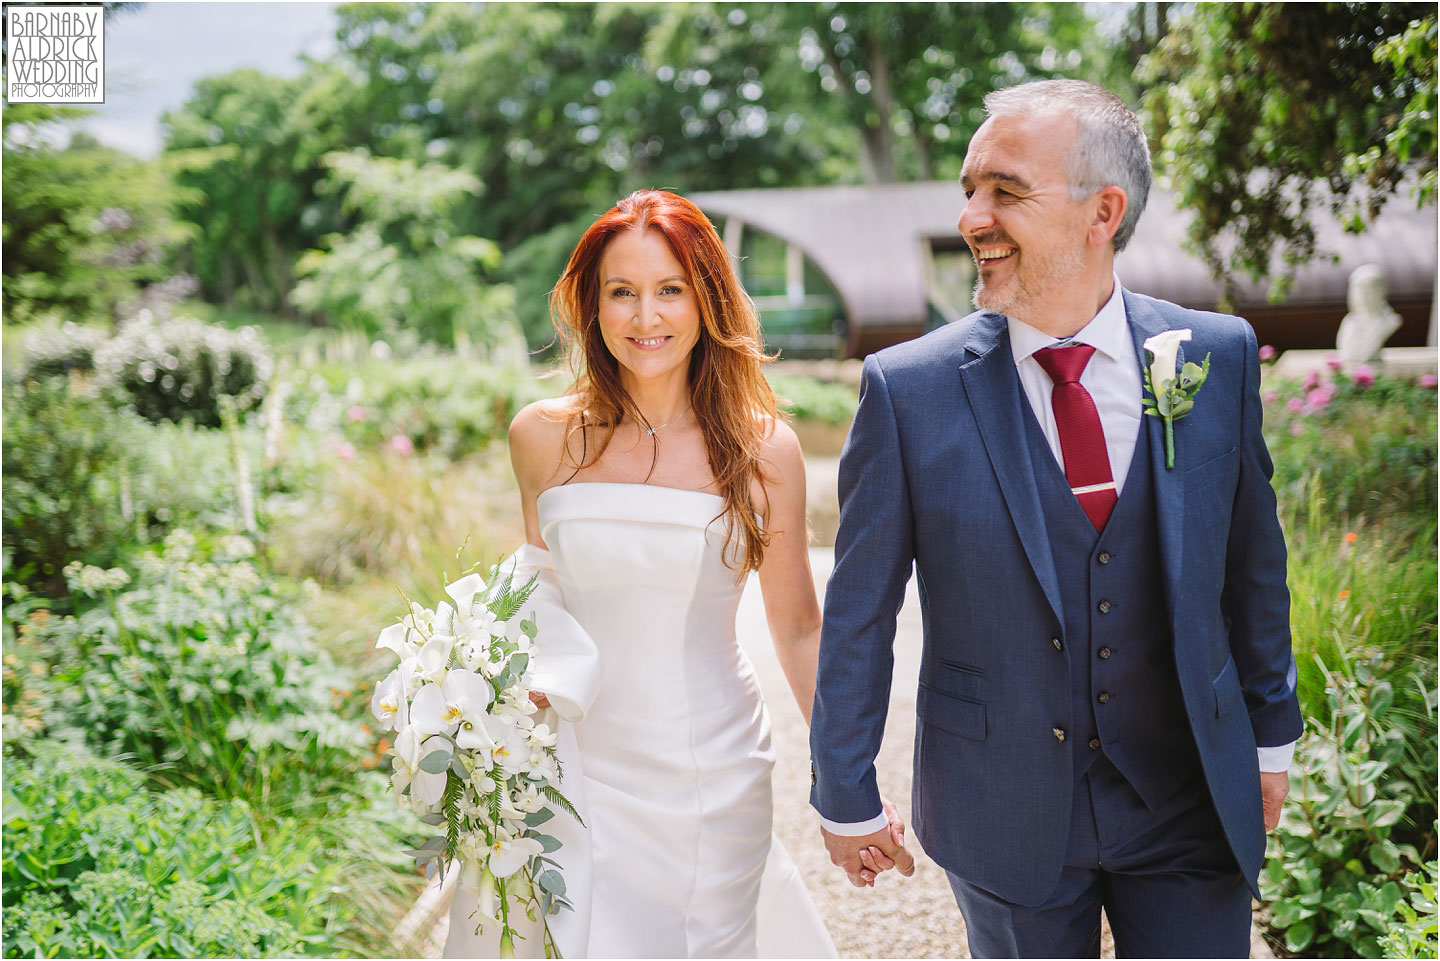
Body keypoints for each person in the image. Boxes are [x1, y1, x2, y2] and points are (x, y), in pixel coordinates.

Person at [808, 79, 1303, 958]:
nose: (971, 217)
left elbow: (1252, 566)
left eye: (1005, 190)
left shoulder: (1213, 357)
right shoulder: (907, 390)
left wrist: (1270, 740)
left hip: (1187, 791)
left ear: (1101, 211)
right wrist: (842, 786)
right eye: (969, 190)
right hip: (1001, 801)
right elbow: (860, 608)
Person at [445, 190, 850, 959]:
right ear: (591, 305)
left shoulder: (766, 451)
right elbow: (542, 593)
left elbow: (798, 629)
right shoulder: (540, 436)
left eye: (670, 289)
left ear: (707, 299)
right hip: (571, 764)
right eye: (621, 292)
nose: (645, 317)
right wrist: (481, 700)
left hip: (711, 767)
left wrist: (849, 785)